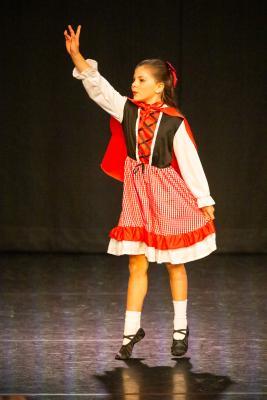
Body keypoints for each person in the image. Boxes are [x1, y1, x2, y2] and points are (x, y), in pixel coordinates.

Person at [64, 25, 216, 360]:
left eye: (142, 80)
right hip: (137, 194)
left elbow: (190, 160)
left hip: (168, 193)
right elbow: (101, 90)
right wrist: (77, 56)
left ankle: (180, 327)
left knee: (174, 262)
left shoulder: (174, 121)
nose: (134, 84)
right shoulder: (128, 110)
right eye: (134, 79)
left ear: (160, 86)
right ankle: (131, 332)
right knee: (137, 262)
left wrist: (204, 201)